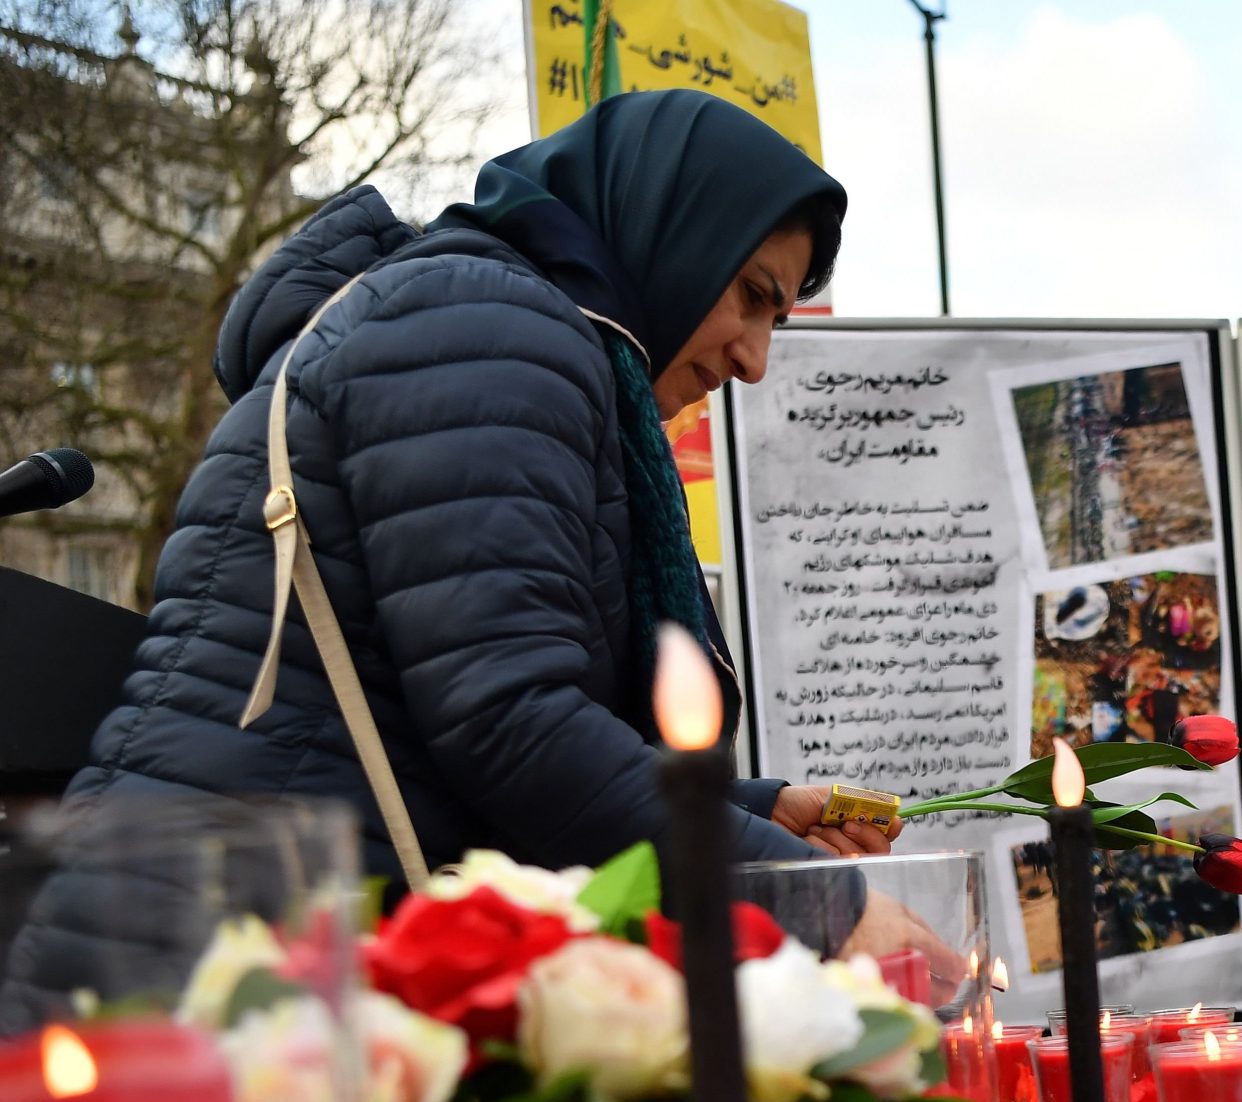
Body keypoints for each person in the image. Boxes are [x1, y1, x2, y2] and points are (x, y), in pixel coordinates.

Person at [60, 90, 887, 881]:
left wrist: (752, 812)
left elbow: (459, 720)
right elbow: (510, 723)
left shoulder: (507, 337)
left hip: (270, 914)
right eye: (750, 296)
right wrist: (804, 888)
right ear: (668, 234)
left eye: (774, 322)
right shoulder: (492, 329)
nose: (753, 359)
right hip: (232, 948)